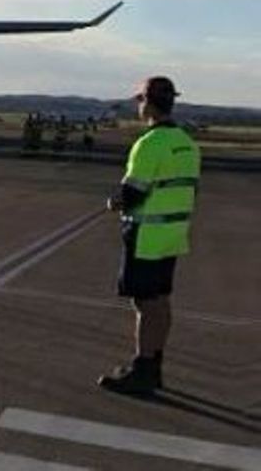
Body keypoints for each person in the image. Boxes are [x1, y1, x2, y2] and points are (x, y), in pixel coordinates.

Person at [99, 76, 200, 395]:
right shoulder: (187, 142)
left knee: (145, 304)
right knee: (160, 301)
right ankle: (153, 365)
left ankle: (143, 369)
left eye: (140, 100)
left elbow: (134, 192)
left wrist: (115, 201)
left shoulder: (149, 143)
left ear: (148, 102)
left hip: (146, 235)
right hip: (172, 234)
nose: (138, 105)